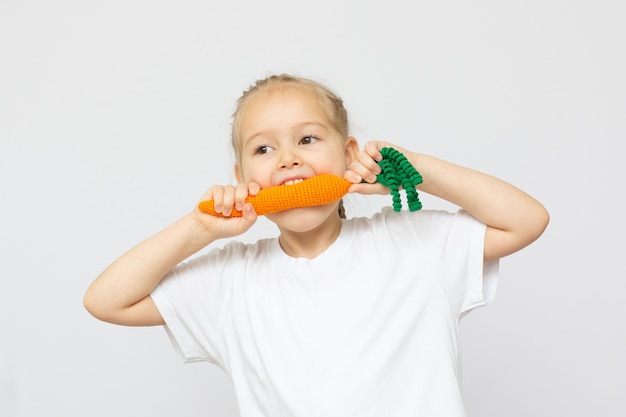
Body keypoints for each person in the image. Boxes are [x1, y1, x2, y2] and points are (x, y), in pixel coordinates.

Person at [84, 73, 549, 416]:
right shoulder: (231, 279)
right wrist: (198, 229)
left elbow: (526, 221)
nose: (288, 159)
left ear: (347, 156)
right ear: (243, 179)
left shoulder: (411, 243)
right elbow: (106, 301)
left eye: (307, 139)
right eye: (263, 149)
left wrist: (417, 168)